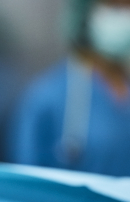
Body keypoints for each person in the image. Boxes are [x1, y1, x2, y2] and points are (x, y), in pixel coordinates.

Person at [8, 0, 130, 175]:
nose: (126, 16)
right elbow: (28, 188)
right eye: (115, 7)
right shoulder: (47, 100)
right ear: (85, 14)